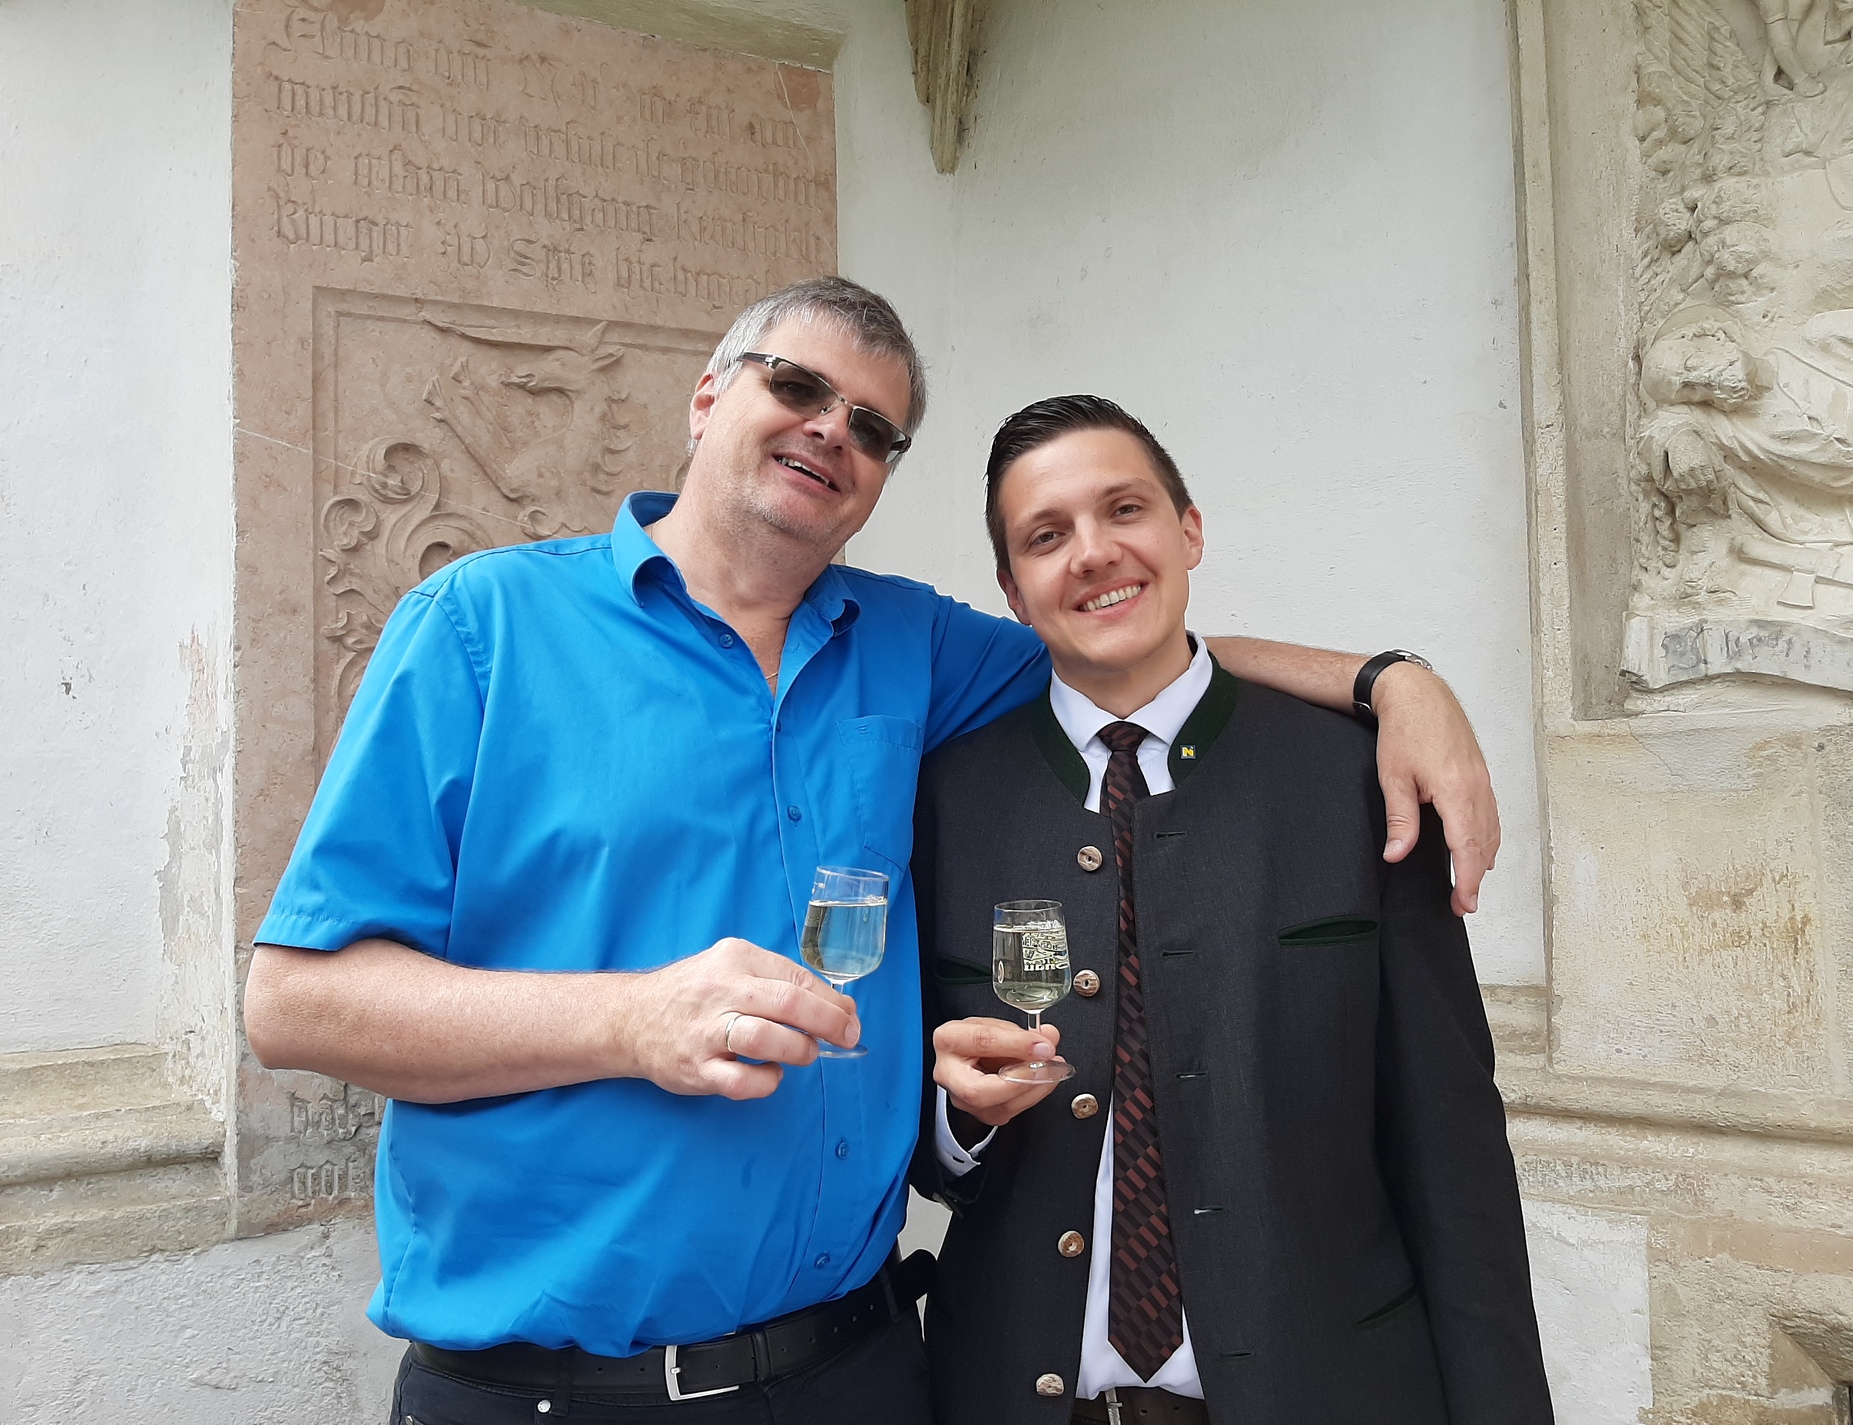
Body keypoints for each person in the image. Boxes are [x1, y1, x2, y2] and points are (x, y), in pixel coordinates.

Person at [241, 278, 1501, 1425]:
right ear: (708, 398)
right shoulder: (484, 626)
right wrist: (629, 1021)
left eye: (873, 426)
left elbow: (1126, 643)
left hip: (855, 1374)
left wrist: (1393, 680)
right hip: (556, 1394)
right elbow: (294, 1004)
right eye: (796, 386)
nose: (830, 430)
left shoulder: (912, 646)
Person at [914, 395, 1551, 1425]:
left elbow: (1455, 1161)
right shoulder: (945, 801)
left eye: (1125, 509)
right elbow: (908, 1140)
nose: (1093, 552)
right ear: (1012, 590)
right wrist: (955, 1123)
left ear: (1189, 530)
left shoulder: (1358, 781)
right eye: (1046, 535)